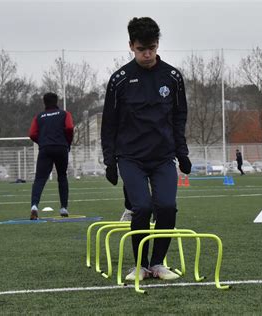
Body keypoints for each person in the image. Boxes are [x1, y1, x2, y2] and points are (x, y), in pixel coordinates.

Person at [101, 17, 191, 281]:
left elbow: (179, 117)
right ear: (131, 46)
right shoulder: (119, 80)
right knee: (141, 207)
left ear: (158, 44)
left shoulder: (173, 77)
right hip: (130, 158)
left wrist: (182, 153)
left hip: (163, 157)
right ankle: (139, 266)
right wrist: (109, 161)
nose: (148, 54)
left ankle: (158, 263)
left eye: (152, 47)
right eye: (142, 49)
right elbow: (109, 123)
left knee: (167, 207)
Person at [28, 92, 74, 220]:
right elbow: (69, 128)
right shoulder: (65, 114)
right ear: (56, 101)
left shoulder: (39, 116)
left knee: (40, 179)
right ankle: (63, 207)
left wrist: (42, 141)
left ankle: (34, 206)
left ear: (44, 102)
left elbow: (32, 133)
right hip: (61, 148)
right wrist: (67, 142)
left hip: (45, 149)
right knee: (62, 177)